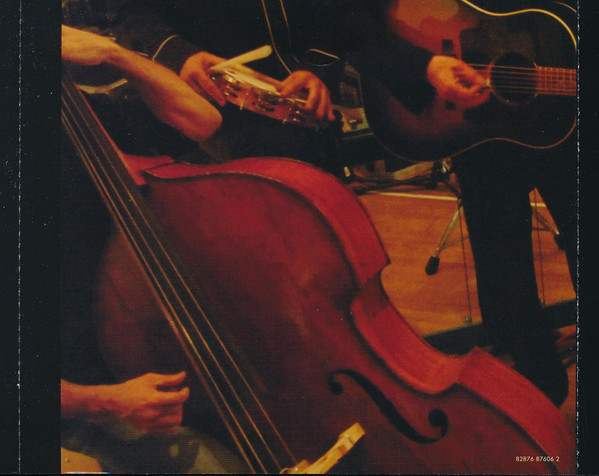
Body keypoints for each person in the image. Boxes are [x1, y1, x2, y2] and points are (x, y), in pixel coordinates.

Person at [105, 0, 574, 409]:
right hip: (197, 129)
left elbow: (338, 17)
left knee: (331, 297)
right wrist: (179, 55)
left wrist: (320, 71)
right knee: (251, 304)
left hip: (305, 128)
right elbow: (127, 12)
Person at [61, 25, 248, 473]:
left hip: (137, 361)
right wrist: (106, 401)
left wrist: (113, 53)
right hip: (78, 400)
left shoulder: (71, 118)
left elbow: (201, 119)